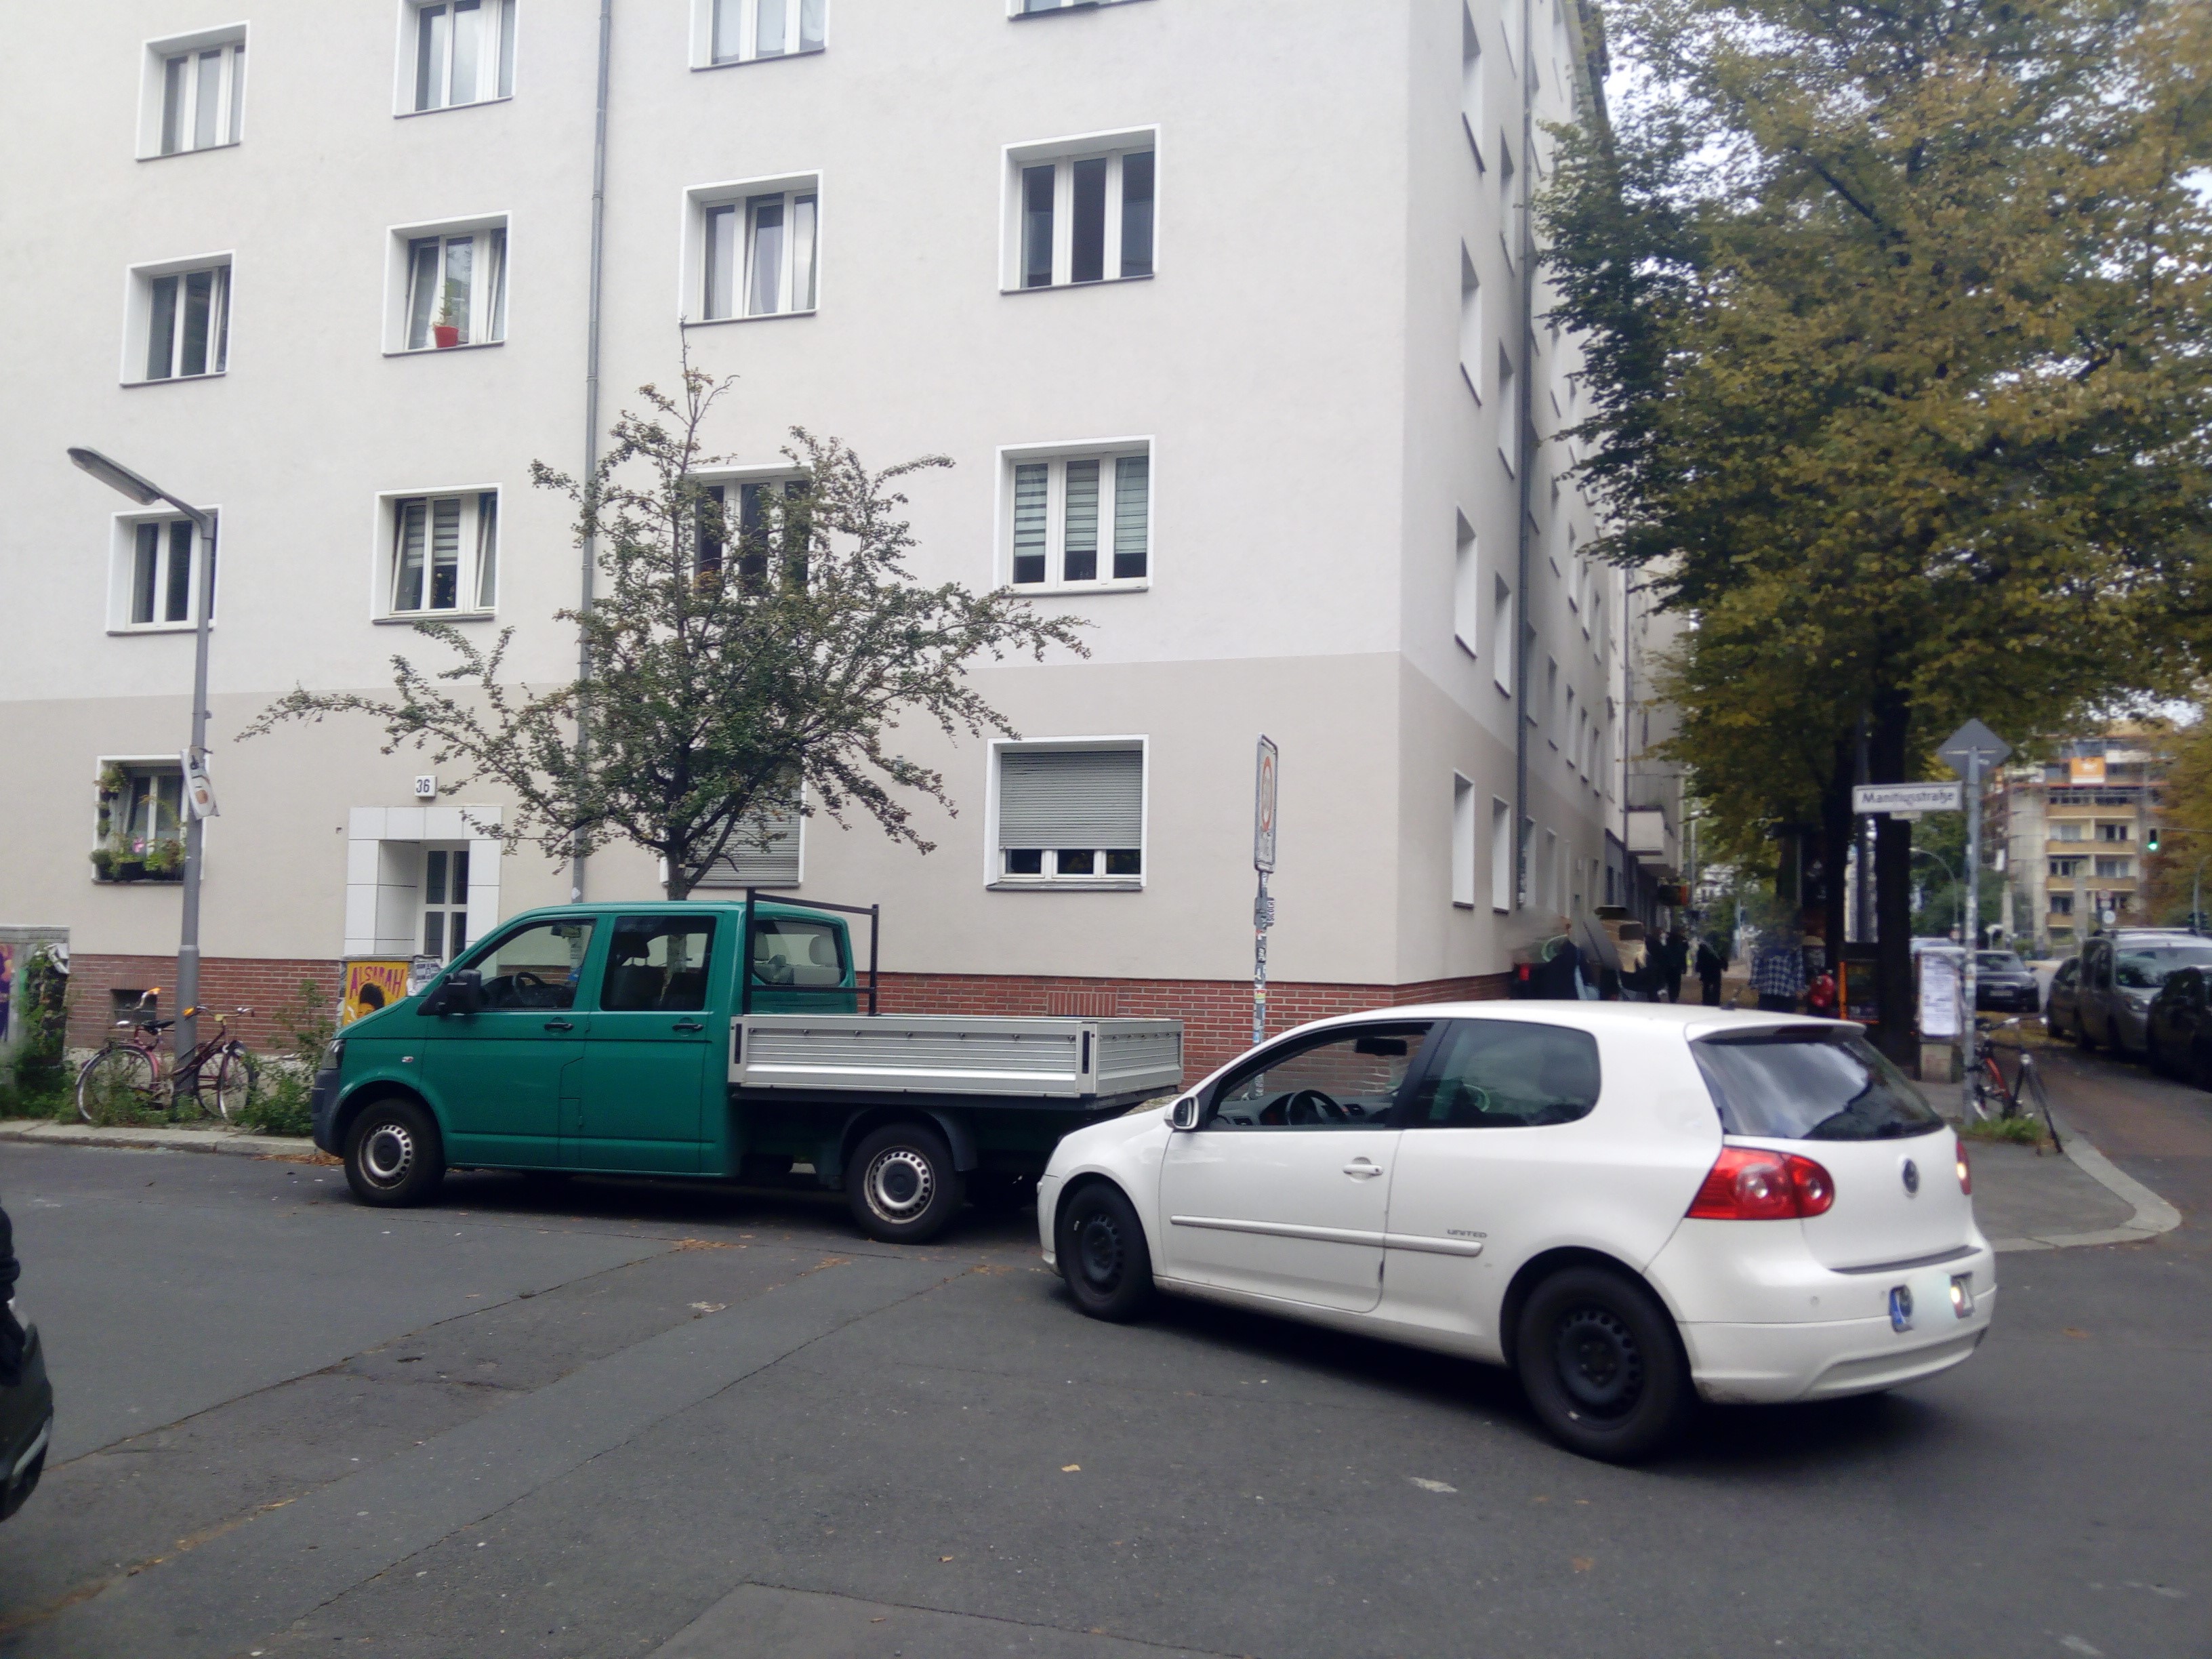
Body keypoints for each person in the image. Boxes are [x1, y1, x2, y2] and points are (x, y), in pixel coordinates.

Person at [1750, 936, 1805, 1013]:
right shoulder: (1764, 947)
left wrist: (1799, 988)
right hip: (1767, 993)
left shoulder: (1794, 949)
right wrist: (1754, 985)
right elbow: (1756, 966)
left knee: (1785, 1020)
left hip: (1787, 993)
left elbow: (1798, 968)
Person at [1660, 928, 1689, 1004]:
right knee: (1676, 983)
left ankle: (1672, 997)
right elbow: (1683, 957)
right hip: (1676, 969)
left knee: (1670, 983)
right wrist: (1684, 968)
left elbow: (1663, 959)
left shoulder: (1666, 948)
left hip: (1669, 968)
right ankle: (1674, 997)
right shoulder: (1680, 948)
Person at [1695, 935, 1725, 1006]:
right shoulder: (1719, 948)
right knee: (1716, 986)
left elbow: (1700, 960)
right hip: (1716, 969)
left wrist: (1698, 968)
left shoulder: (1702, 948)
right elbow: (1723, 957)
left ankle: (1706, 1000)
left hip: (1706, 970)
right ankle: (1715, 1001)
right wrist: (1724, 966)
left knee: (1706, 985)